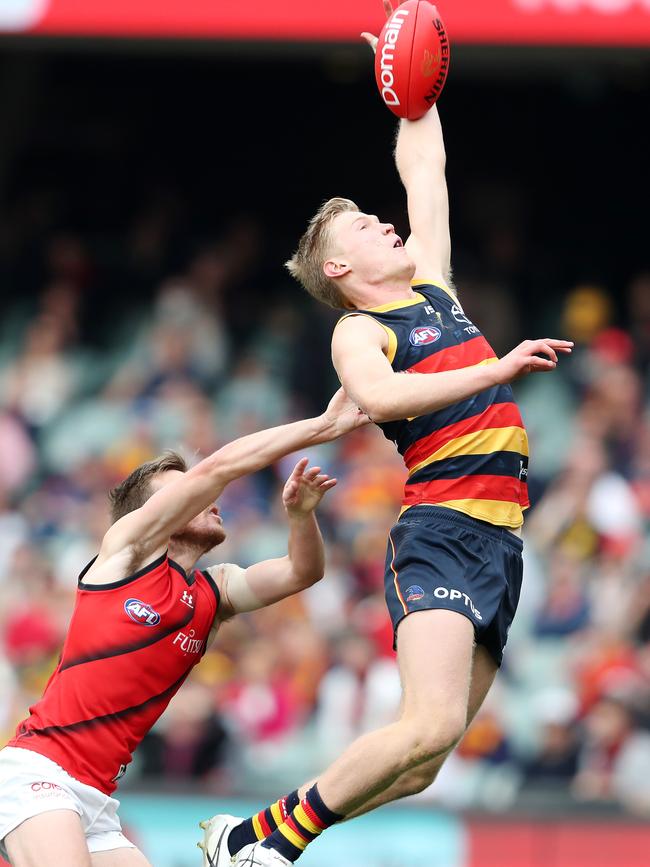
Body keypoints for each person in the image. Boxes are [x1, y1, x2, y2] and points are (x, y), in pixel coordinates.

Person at [200, 3, 573, 865]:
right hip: (441, 532)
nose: (385, 222)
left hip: (499, 542)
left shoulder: (432, 290)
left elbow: (425, 170)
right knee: (430, 721)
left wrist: (411, 94)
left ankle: (252, 836)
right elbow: (383, 396)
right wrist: (499, 368)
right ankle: (259, 842)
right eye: (363, 226)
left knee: (426, 761)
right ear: (340, 270)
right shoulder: (358, 332)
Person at [0, 389, 368, 867]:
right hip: (38, 772)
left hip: (96, 799)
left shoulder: (214, 593)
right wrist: (322, 426)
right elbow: (219, 469)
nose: (209, 496)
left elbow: (302, 572)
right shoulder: (124, 554)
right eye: (185, 490)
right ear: (155, 515)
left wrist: (301, 517)